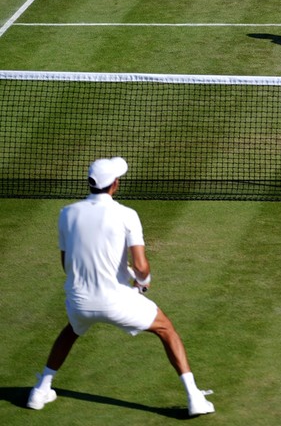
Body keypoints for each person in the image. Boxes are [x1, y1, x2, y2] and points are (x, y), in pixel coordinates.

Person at [27, 157, 215, 416]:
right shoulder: (127, 215)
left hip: (80, 301)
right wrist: (142, 281)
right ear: (114, 184)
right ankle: (195, 397)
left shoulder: (66, 213)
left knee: (72, 329)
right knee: (166, 329)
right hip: (116, 302)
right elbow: (141, 266)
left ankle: (39, 390)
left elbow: (66, 264)